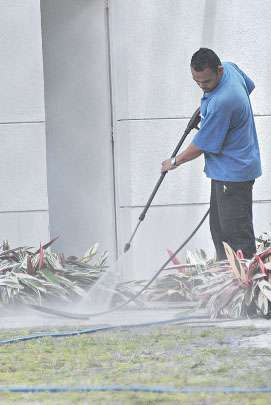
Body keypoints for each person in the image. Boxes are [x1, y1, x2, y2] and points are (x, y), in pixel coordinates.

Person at [161, 48, 262, 260]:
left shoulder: (223, 102)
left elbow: (201, 145)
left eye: (206, 82)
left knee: (235, 238)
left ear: (219, 70)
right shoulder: (231, 69)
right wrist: (212, 113)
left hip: (233, 175)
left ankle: (241, 282)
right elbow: (248, 86)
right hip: (228, 170)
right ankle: (226, 275)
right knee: (219, 230)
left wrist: (174, 161)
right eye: (196, 81)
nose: (202, 87)